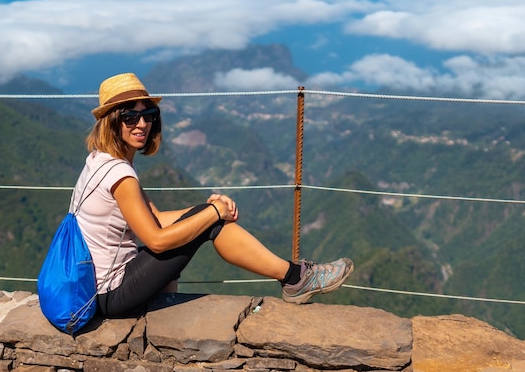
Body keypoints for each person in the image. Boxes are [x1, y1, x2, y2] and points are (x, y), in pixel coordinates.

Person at [71, 72, 354, 318]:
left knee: (208, 219)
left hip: (100, 287)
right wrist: (213, 215)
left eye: (148, 114)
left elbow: (154, 217)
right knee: (212, 223)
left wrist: (206, 209)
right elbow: (156, 241)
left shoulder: (101, 161)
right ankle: (296, 278)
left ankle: (295, 277)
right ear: (111, 122)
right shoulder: (121, 176)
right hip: (111, 294)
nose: (142, 124)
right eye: (130, 116)